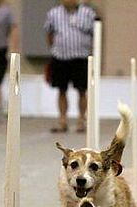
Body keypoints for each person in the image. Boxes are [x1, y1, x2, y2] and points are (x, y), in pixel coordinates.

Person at [44, 0, 95, 133]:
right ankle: (62, 120)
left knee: (82, 90)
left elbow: (95, 33)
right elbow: (49, 34)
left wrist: (92, 53)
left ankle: (81, 120)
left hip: (81, 57)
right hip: (61, 57)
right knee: (61, 90)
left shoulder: (88, 13)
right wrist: (54, 49)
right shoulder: (53, 13)